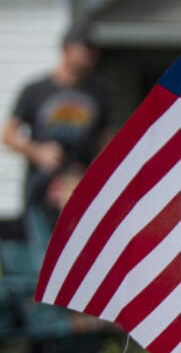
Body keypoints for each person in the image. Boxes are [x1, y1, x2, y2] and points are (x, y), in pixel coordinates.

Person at [3, 21, 111, 218]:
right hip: (41, 192)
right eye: (86, 47)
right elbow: (8, 134)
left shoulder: (98, 91)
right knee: (43, 248)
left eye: (94, 48)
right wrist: (37, 151)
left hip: (82, 190)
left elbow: (105, 140)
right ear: (67, 48)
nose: (91, 54)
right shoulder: (35, 90)